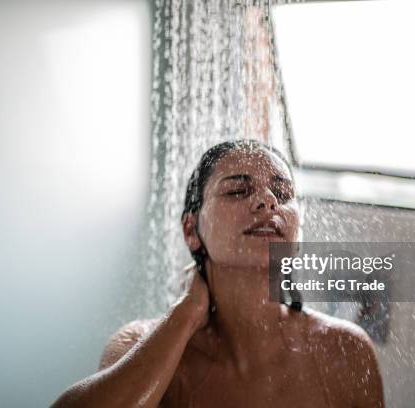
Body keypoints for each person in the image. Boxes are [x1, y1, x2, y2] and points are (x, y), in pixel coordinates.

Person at [51, 139, 384, 407]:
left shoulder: (345, 350)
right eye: (238, 190)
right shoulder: (139, 345)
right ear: (191, 229)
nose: (268, 201)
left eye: (282, 194)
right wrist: (185, 314)